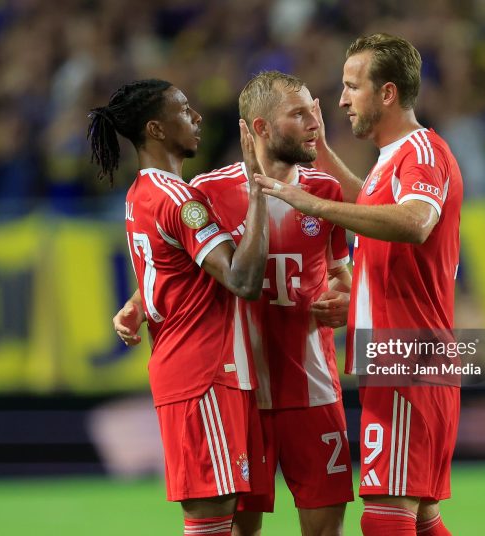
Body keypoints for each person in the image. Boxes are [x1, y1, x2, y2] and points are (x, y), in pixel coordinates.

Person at [115, 71, 355, 536]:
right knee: (239, 528)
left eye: (315, 112)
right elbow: (180, 263)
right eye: (300, 114)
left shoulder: (325, 193)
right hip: (244, 392)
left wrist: (348, 301)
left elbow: (341, 274)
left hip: (314, 385)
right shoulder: (207, 192)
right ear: (261, 127)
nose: (315, 125)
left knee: (326, 529)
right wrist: (139, 302)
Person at [254, 34, 463, 536]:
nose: (342, 100)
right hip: (399, 354)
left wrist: (311, 203)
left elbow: (414, 222)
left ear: (387, 94)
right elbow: (371, 209)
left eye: (352, 87)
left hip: (409, 356)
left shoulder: (423, 151)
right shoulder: (390, 162)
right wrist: (322, 150)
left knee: (384, 518)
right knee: (422, 517)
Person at [88, 79, 269, 536]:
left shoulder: (141, 195)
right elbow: (243, 281)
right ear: (156, 128)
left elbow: (167, 274)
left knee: (231, 518)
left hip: (194, 369)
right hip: (203, 372)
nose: (198, 118)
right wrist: (260, 192)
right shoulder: (181, 200)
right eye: (185, 110)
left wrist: (138, 305)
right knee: (210, 516)